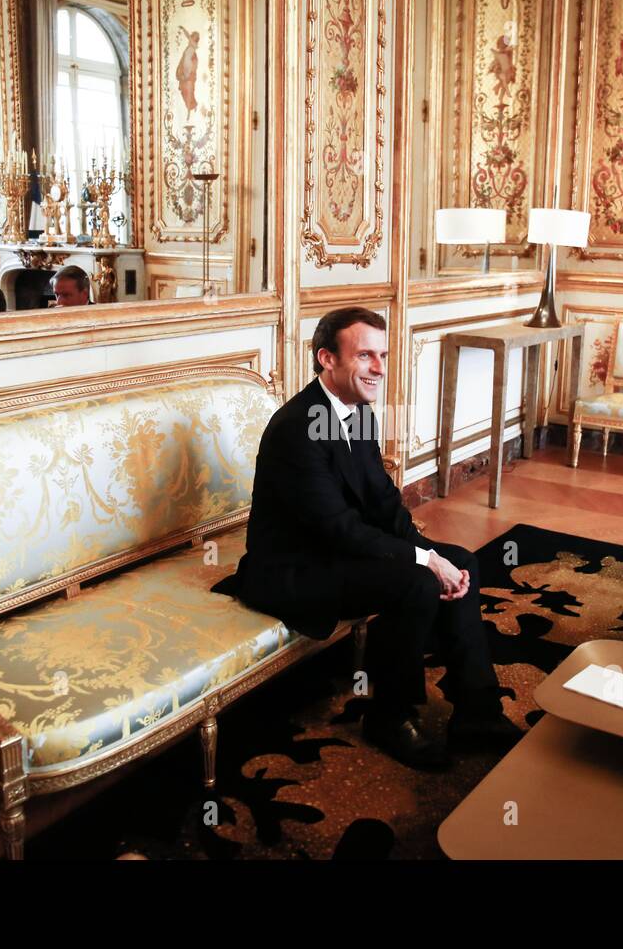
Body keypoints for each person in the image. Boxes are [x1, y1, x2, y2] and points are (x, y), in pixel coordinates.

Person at [213, 307, 520, 769]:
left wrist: (433, 554)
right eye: (364, 356)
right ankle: (388, 715)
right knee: (415, 580)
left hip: (339, 553)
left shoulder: (356, 410)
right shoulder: (297, 428)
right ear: (326, 359)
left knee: (464, 562)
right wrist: (422, 562)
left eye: (383, 355)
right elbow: (337, 526)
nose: (379, 368)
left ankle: (477, 710)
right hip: (295, 569)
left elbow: (382, 505)